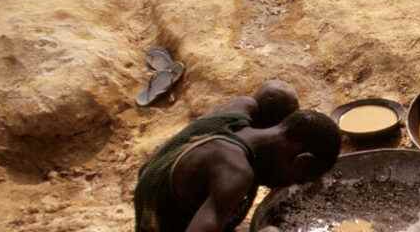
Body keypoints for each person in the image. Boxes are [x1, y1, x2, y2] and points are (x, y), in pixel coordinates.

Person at [133, 88, 342, 232]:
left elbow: (271, 93)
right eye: (298, 179)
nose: (288, 185)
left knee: (278, 94)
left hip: (154, 197)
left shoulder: (239, 110)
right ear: (301, 162)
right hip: (163, 225)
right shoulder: (235, 174)